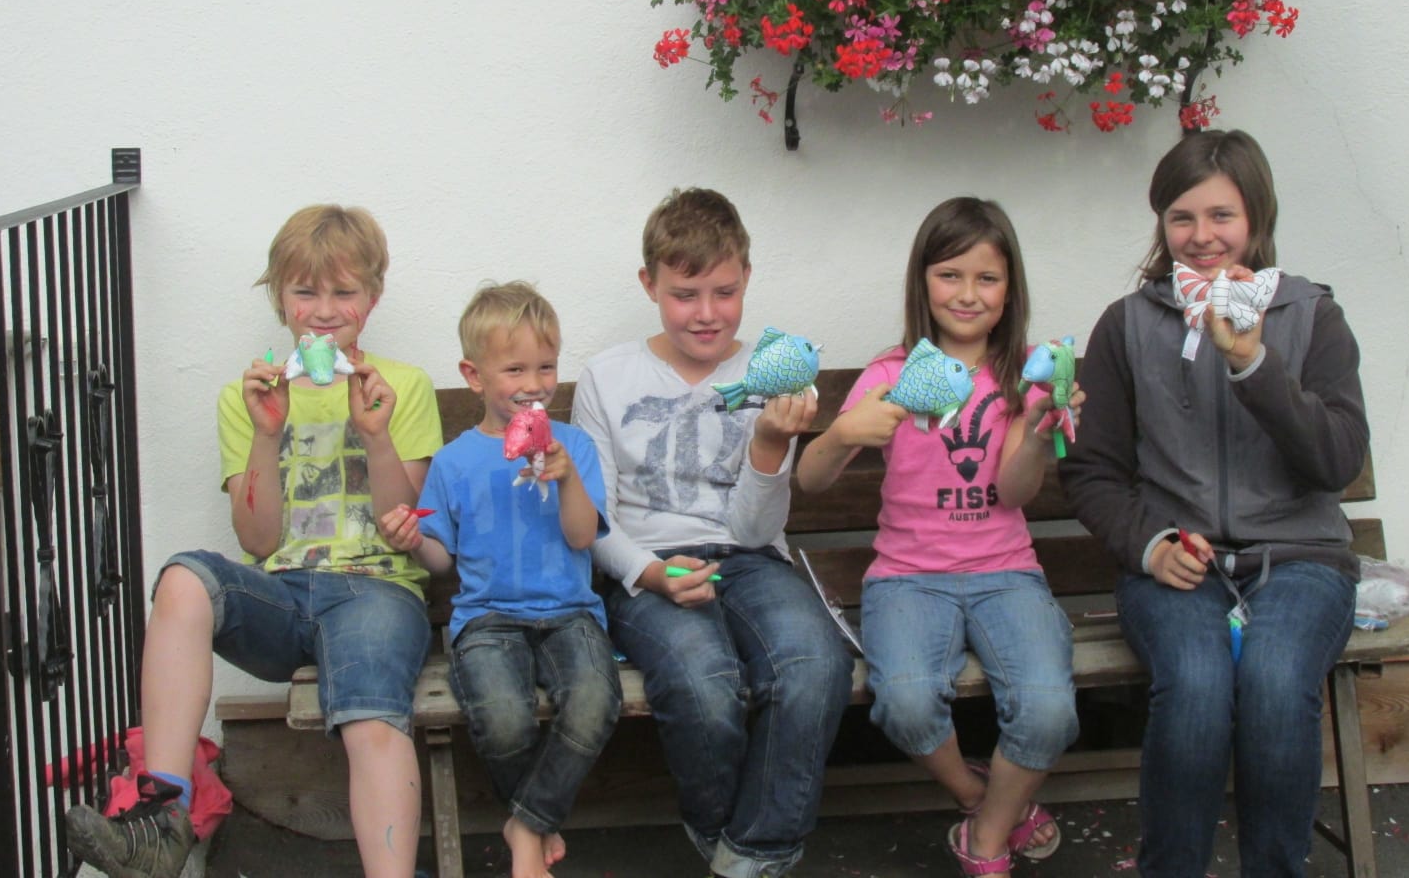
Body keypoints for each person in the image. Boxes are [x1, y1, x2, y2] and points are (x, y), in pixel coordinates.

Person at [65, 205, 441, 878]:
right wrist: (267, 433)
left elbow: (402, 521)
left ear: (373, 297)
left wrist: (376, 435)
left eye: (344, 291)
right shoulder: (247, 396)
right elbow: (259, 539)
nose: (324, 310)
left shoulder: (402, 386)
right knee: (183, 578)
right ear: (280, 299)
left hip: (378, 590)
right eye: (305, 291)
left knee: (370, 710)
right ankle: (162, 820)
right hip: (282, 594)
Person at [1059, 130, 1369, 877]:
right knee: (1195, 689)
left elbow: (1336, 461)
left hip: (1301, 561)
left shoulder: (1313, 314)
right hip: (1179, 562)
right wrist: (1150, 544)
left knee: (1275, 684)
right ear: (1162, 224)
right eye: (1181, 217)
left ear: (1256, 218)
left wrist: (1253, 363)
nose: (1201, 236)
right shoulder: (1128, 325)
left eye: (1221, 215)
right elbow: (1093, 471)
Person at [571, 187, 853, 878]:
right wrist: (650, 574)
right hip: (647, 566)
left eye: (724, 292)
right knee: (704, 681)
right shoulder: (606, 377)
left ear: (747, 278)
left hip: (749, 558)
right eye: (685, 294)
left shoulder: (773, 372)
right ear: (650, 285)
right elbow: (595, 518)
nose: (706, 313)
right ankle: (724, 832)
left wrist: (769, 445)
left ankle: (751, 853)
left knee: (816, 662)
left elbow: (758, 529)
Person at [797, 196, 1082, 878]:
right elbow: (810, 481)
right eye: (950, 275)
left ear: (1010, 289)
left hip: (1006, 573)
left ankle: (985, 842)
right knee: (904, 702)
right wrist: (841, 433)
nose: (967, 293)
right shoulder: (890, 374)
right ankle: (983, 800)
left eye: (987, 278)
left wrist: (1035, 438)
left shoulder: (1027, 372)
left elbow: (1013, 493)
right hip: (907, 578)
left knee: (1048, 711)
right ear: (922, 281)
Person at [379, 281, 619, 878]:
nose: (534, 384)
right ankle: (537, 821)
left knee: (594, 700)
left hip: (571, 612)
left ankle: (525, 825)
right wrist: (413, 541)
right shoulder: (454, 460)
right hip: (486, 618)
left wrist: (566, 477)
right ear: (474, 375)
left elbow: (583, 538)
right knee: (503, 715)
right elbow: (442, 560)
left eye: (546, 366)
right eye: (515, 369)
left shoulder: (574, 445)